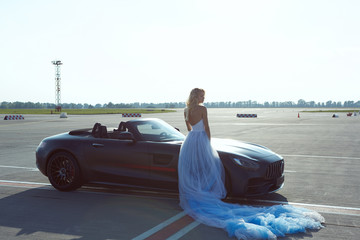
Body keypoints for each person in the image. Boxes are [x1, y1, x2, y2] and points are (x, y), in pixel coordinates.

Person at [178, 88, 325, 240]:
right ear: (197, 96)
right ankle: (205, 190)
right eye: (202, 95)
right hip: (202, 139)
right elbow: (207, 127)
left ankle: (197, 190)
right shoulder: (203, 109)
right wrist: (207, 143)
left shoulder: (186, 110)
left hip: (190, 141)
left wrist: (195, 135)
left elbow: (189, 128)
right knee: (208, 167)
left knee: (194, 168)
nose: (204, 97)